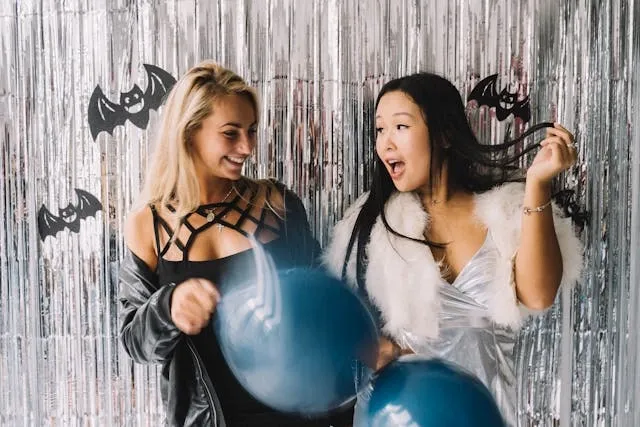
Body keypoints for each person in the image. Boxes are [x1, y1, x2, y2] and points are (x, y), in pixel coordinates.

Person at [322, 72, 584, 426]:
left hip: (485, 412)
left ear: (444, 134)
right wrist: (378, 349)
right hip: (397, 416)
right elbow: (339, 329)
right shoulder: (372, 226)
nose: (385, 143)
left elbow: (538, 296)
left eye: (400, 127)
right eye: (379, 130)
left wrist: (537, 184)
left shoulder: (506, 212)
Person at [118, 60, 353, 427]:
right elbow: (134, 342)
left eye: (252, 130)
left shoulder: (278, 205)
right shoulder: (146, 225)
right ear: (189, 133)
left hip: (298, 416)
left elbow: (323, 306)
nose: (247, 147)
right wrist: (169, 306)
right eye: (231, 133)